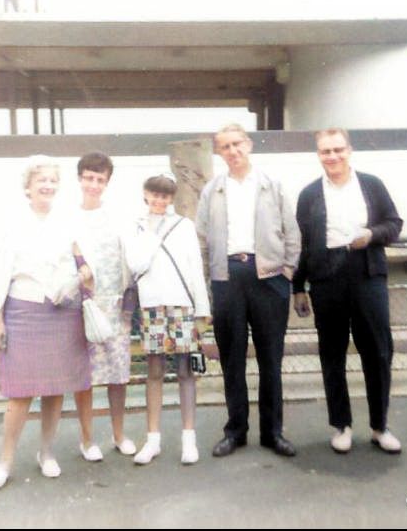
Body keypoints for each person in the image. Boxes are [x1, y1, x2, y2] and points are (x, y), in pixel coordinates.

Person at [292, 128, 403, 454]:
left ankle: (380, 426)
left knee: (378, 351)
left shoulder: (371, 184)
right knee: (332, 354)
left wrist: (371, 235)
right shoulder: (309, 194)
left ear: (349, 150)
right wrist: (298, 286)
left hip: (367, 275)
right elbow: (302, 244)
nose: (333, 156)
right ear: (318, 155)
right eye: (326, 151)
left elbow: (394, 224)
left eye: (338, 149)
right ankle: (341, 426)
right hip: (326, 280)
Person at [0, 155, 90, 488]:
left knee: (55, 389)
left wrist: (80, 275)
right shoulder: (11, 223)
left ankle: (46, 452)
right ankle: (5, 460)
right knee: (20, 394)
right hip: (23, 311)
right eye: (41, 180)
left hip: (61, 311)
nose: (48, 185)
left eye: (53, 180)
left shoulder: (67, 221)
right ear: (28, 186)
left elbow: (83, 262)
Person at [195, 124, 301, 458]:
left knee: (271, 359)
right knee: (232, 359)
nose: (232, 151)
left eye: (237, 144)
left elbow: (292, 233)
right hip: (227, 277)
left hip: (268, 277)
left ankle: (273, 433)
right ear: (219, 152)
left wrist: (286, 273)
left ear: (249, 145)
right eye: (225, 146)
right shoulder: (212, 191)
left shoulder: (271, 186)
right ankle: (236, 431)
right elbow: (201, 239)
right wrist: (207, 284)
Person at [124, 173, 210, 465]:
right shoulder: (136, 226)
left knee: (186, 371)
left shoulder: (184, 225)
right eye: (154, 194)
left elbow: (195, 268)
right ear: (145, 194)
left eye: (165, 195)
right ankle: (153, 440)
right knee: (154, 371)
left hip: (182, 304)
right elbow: (136, 264)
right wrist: (152, 231)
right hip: (151, 305)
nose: (159, 200)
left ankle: (189, 439)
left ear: (172, 198)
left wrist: (202, 310)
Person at [71, 152, 137, 461]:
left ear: (107, 183)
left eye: (100, 179)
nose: (94, 184)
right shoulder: (68, 217)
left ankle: (119, 434)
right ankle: (87, 440)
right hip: (83, 305)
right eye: (89, 178)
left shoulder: (118, 216)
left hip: (116, 302)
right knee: (85, 375)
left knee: (118, 373)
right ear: (80, 178)